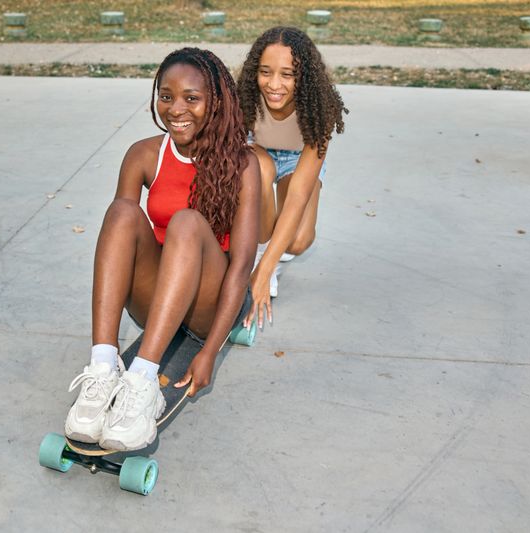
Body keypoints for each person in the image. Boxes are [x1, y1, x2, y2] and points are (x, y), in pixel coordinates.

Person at [64, 47, 260, 452]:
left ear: (217, 102)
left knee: (187, 222)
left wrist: (210, 351)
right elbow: (121, 244)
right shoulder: (143, 154)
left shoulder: (243, 164)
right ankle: (102, 368)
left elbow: (241, 267)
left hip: (205, 303)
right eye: (166, 96)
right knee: (121, 212)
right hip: (158, 297)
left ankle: (142, 381)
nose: (176, 109)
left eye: (192, 98)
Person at [237, 26, 347, 329]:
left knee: (298, 240)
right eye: (265, 72)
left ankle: (267, 260)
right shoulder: (244, 98)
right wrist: (263, 265)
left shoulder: (319, 110)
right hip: (258, 154)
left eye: (288, 74)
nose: (274, 84)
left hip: (296, 161)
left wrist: (268, 266)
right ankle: (260, 254)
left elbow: (298, 193)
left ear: (305, 77)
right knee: (258, 169)